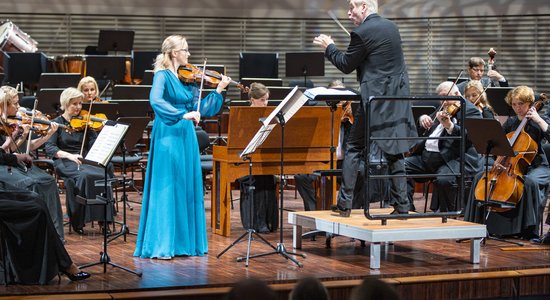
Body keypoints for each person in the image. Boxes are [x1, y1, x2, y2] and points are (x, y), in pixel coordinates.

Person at [313, 0, 417, 216]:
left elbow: (345, 64)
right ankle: (402, 205)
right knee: (394, 150)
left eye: (352, 7)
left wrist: (329, 47)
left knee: (353, 148)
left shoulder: (362, 32)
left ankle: (345, 204)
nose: (349, 13)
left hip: (374, 101)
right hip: (397, 98)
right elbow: (378, 62)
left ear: (364, 6)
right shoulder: (392, 27)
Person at [133, 35, 230, 259]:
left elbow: (203, 108)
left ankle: (185, 244)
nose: (188, 54)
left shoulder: (188, 79)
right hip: (168, 131)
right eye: (185, 50)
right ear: (174, 53)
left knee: (186, 185)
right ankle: (164, 243)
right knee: (169, 186)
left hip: (186, 135)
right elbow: (156, 101)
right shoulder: (162, 75)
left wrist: (218, 90)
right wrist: (181, 114)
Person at [464, 86, 550, 240]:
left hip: (537, 166)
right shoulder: (510, 122)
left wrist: (538, 120)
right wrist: (497, 156)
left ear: (530, 103)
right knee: (479, 176)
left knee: (529, 182)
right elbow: (499, 143)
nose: (518, 108)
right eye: (515, 104)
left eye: (521, 104)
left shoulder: (539, 121)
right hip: (511, 166)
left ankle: (529, 231)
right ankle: (475, 224)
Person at [44, 87, 114, 235]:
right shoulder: (56, 123)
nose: (78, 107)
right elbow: (50, 148)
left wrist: (102, 132)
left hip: (83, 160)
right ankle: (78, 220)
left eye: (80, 103)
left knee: (103, 174)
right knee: (84, 176)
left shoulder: (84, 123)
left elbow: (95, 144)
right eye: (74, 104)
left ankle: (104, 221)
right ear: (65, 103)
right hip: (65, 161)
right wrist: (70, 156)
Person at [0, 86, 65, 241]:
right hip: (7, 165)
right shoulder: (4, 124)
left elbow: (21, 148)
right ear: (4, 105)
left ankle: (55, 234)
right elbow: (6, 153)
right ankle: (35, 234)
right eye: (14, 104)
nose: (18, 107)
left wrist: (46, 134)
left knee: (49, 181)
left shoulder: (11, 122)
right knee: (31, 184)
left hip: (15, 161)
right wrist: (19, 136)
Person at [406, 82, 482, 212]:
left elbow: (471, 136)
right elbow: (429, 122)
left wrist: (450, 126)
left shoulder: (471, 110)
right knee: (401, 166)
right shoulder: (443, 106)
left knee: (444, 179)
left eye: (446, 96)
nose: (444, 101)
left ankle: (447, 214)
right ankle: (405, 207)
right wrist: (423, 118)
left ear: (457, 94)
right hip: (429, 157)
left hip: (453, 158)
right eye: (441, 97)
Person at [237, 82, 278, 233]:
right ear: (252, 100)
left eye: (267, 100)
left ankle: (268, 221)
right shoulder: (243, 115)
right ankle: (256, 222)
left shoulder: (269, 116)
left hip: (263, 157)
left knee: (268, 177)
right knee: (257, 178)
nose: (265, 103)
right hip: (245, 159)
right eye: (262, 100)